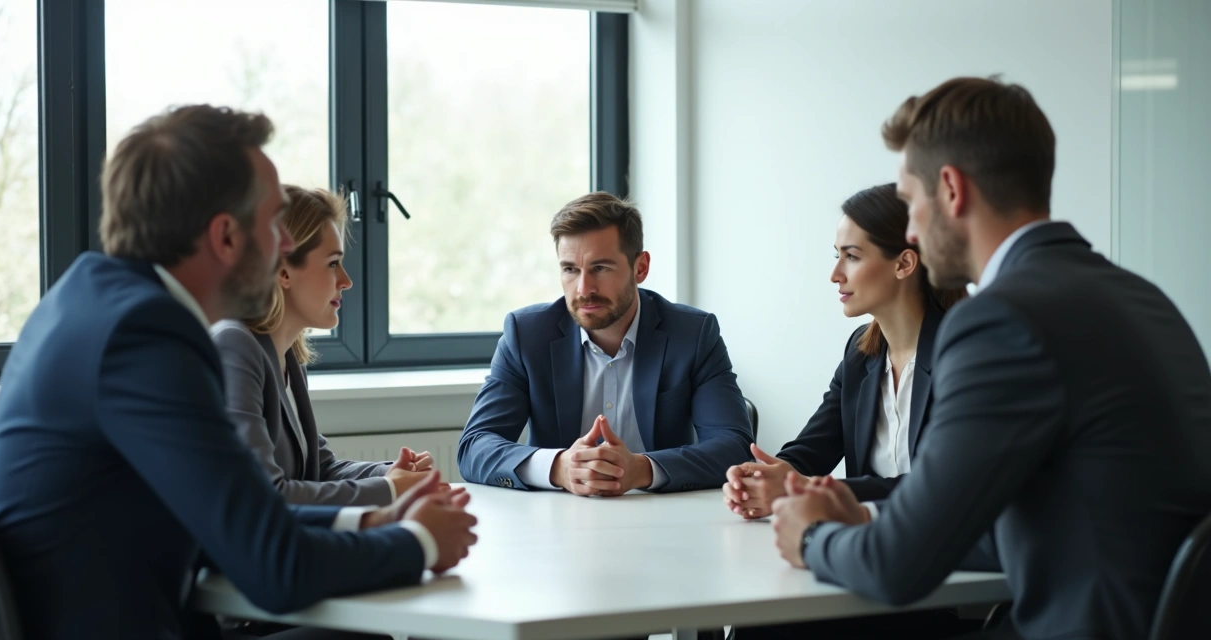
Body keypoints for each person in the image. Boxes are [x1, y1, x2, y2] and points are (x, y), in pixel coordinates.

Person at [0, 105, 478, 640]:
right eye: (274, 222)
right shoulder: (148, 336)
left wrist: (368, 521)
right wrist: (421, 543)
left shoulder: (92, 296)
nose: (287, 246)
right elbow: (274, 567)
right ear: (226, 237)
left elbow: (237, 513)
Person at [771, 77, 1211, 640]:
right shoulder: (1140, 297)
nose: (909, 229)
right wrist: (871, 517)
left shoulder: (1002, 320)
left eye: (909, 202)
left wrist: (811, 538)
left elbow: (898, 566)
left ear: (950, 190)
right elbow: (1040, 524)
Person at [457, 192, 753, 495]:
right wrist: (559, 467)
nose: (584, 289)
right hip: (554, 523)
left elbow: (734, 447)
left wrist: (642, 470)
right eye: (570, 269)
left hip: (663, 519)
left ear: (640, 268)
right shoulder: (527, 335)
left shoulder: (692, 334)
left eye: (600, 268)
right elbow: (475, 447)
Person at [723, 183, 964, 521]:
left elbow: (942, 485)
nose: (835, 275)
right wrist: (761, 476)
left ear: (904, 263)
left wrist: (810, 489)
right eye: (837, 256)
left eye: (852, 256)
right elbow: (812, 449)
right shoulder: (861, 353)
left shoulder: (963, 354)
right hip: (874, 542)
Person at [213, 185, 437, 507]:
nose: (346, 280)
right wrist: (389, 490)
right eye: (333, 263)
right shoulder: (234, 347)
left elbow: (320, 470)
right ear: (283, 270)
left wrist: (391, 473)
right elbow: (264, 494)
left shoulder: (288, 356)